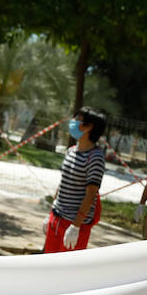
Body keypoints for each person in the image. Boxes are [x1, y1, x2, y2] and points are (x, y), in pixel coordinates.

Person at [43, 107, 107, 253]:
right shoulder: (71, 150)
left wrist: (76, 226)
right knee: (48, 266)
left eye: (78, 119)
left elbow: (90, 194)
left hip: (74, 225)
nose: (73, 122)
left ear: (89, 127)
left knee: (66, 272)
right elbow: (63, 183)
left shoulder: (95, 157)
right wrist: (50, 214)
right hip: (56, 218)